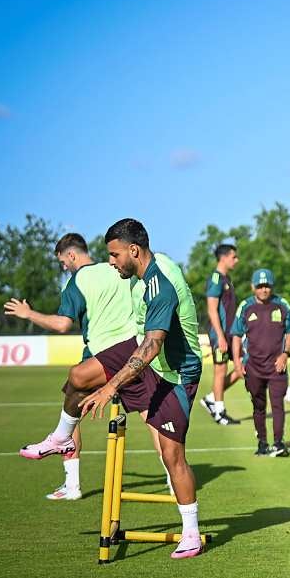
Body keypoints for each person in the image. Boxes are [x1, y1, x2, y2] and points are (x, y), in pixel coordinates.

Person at [76, 219, 206, 559]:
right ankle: (62, 433)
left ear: (134, 250)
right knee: (80, 374)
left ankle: (191, 533)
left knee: (172, 455)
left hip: (177, 375)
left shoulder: (159, 286)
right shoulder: (149, 271)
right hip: (157, 365)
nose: (111, 261)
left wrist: (110, 388)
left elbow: (149, 348)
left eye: (115, 254)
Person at [8, 233, 136, 499]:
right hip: (134, 355)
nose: (64, 267)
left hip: (99, 357)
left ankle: (72, 485)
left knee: (71, 407)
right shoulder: (118, 270)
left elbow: (62, 324)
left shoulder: (77, 281)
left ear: (72, 255)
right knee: (152, 418)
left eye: (63, 262)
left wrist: (28, 313)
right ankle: (174, 481)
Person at [231, 268, 290, 457]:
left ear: (272, 287)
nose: (264, 290)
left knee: (278, 404)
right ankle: (262, 442)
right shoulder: (245, 306)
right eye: (260, 286)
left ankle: (278, 443)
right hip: (253, 367)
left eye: (267, 286)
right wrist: (237, 362)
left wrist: (285, 354)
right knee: (258, 405)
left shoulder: (282, 305)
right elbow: (236, 335)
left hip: (277, 366)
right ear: (253, 287)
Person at [200, 243, 242, 425]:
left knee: (243, 368)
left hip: (232, 334)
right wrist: (220, 336)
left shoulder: (227, 279)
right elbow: (211, 310)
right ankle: (219, 412)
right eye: (234, 257)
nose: (236, 260)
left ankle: (211, 398)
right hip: (221, 335)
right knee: (220, 371)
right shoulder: (216, 279)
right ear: (223, 257)